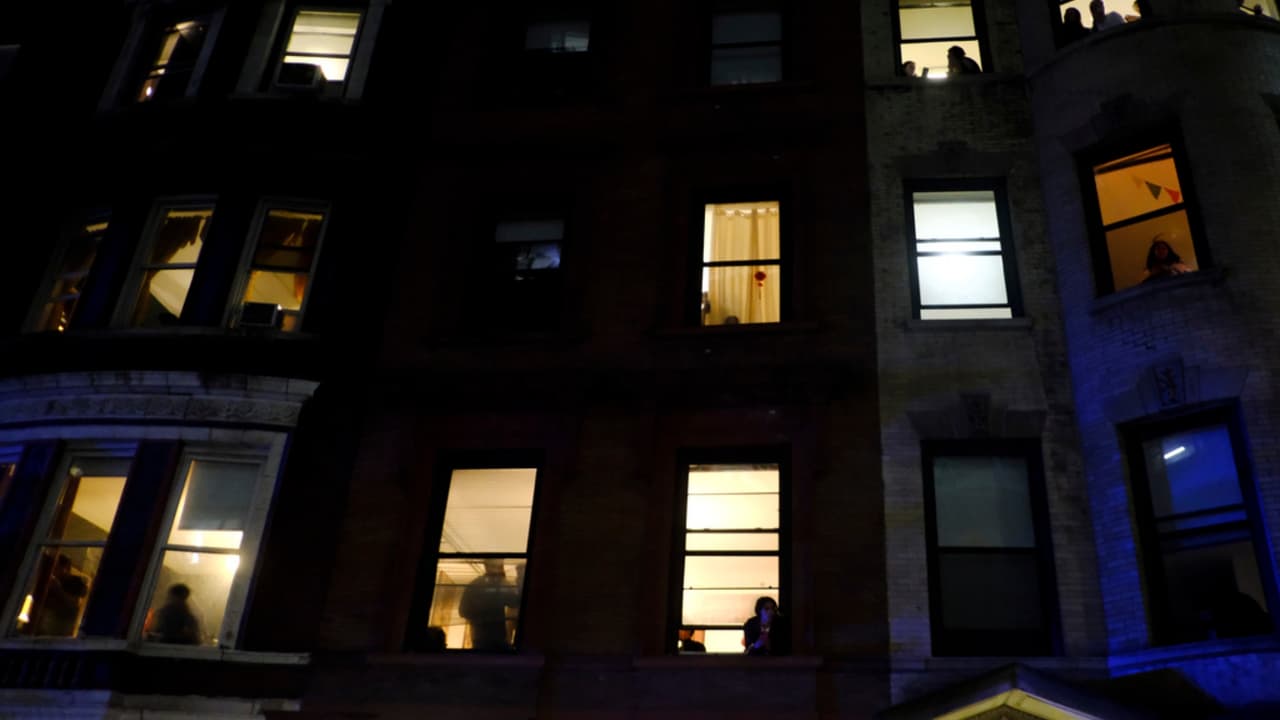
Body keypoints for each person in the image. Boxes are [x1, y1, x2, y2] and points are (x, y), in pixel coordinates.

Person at [459, 559, 520, 650]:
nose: (500, 569)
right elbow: (463, 611)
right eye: (497, 566)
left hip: (492, 637)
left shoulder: (499, 585)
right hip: (483, 637)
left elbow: (514, 602)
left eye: (501, 566)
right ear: (487, 567)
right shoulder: (475, 585)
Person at [34, 554, 89, 637]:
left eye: (57, 568)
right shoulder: (48, 580)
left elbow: (74, 605)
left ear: (65, 568)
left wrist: (58, 589)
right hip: (45, 624)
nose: (54, 572)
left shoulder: (75, 582)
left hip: (62, 627)